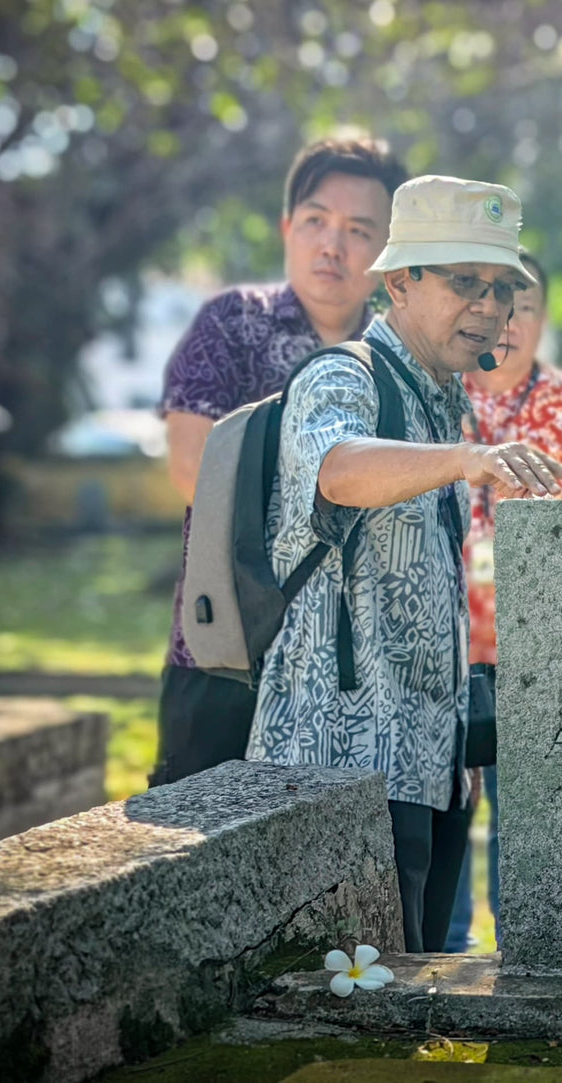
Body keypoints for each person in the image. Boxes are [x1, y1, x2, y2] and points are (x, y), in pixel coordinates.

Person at [245, 175, 562, 952]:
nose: (489, 307)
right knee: (343, 1030)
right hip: (336, 771)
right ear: (399, 281)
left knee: (411, 1020)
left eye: (501, 289)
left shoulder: (440, 400)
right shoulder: (344, 374)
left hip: (428, 767)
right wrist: (467, 459)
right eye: (465, 282)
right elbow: (339, 471)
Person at [153, 134, 406, 786]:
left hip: (358, 669)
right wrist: (339, 479)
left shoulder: (398, 358)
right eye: (316, 221)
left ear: (388, 251)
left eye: (358, 229)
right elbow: (191, 469)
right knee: (197, 863)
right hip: (227, 654)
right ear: (287, 227)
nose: (332, 244)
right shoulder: (232, 324)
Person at [445, 252, 562, 951]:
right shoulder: (435, 389)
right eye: (494, 303)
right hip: (442, 639)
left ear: (544, 319)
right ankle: (442, 950)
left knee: (528, 814)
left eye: (524, 306)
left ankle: (527, 955)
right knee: (446, 805)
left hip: (536, 646)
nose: (507, 322)